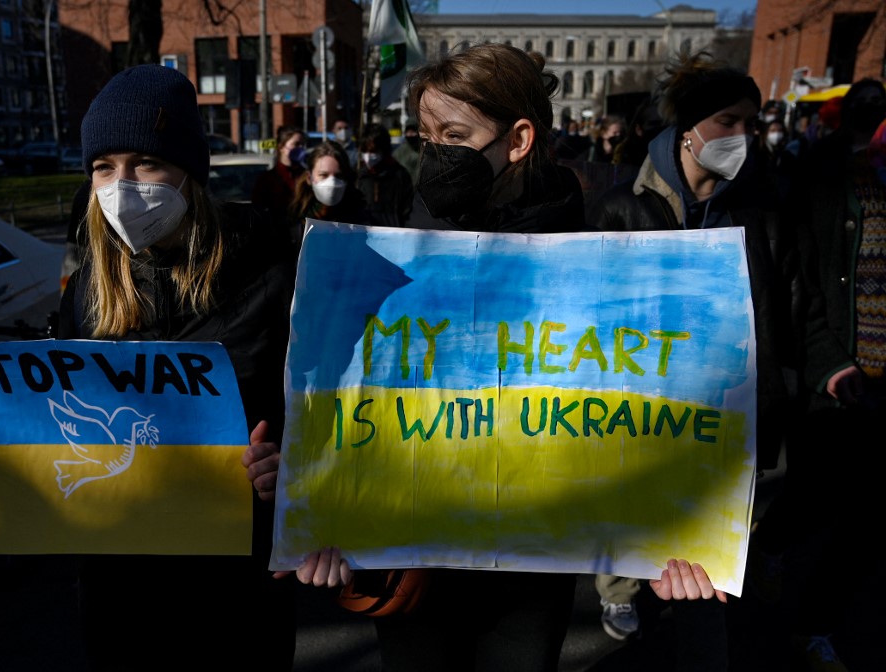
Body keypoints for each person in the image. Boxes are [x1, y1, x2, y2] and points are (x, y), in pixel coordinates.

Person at [287, 43, 727, 672]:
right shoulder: (390, 249)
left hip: (528, 567)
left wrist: (665, 539)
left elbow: (635, 409)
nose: (434, 150)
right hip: (414, 555)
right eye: (425, 133)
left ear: (518, 140)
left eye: (455, 134)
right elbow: (342, 395)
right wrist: (317, 511)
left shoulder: (595, 257)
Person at [0, 64, 298, 671]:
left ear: (190, 172)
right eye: (104, 167)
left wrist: (287, 470)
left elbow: (328, 430)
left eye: (145, 163)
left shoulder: (274, 281)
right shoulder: (87, 294)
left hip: (237, 598)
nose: (122, 186)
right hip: (121, 601)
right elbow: (54, 437)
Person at [587, 49, 799, 671]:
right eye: (728, 122)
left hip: (728, 408)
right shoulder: (622, 209)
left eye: (751, 124)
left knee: (710, 589)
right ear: (688, 130)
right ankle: (620, 591)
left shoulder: (759, 213)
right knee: (629, 504)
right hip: (641, 401)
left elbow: (785, 310)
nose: (743, 137)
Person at [764, 76, 886, 670]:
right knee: (813, 495)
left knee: (865, 514)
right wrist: (826, 361)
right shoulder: (825, 177)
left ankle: (815, 625)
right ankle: (767, 555)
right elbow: (801, 283)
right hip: (838, 375)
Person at [286, 140, 368, 250]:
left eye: (338, 175)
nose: (332, 182)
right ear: (309, 178)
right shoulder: (294, 219)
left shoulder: (362, 221)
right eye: (324, 175)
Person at [356, 124, 413, 228]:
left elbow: (408, 212)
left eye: (373, 151)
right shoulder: (359, 177)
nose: (368, 156)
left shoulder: (400, 176)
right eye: (364, 151)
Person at [250, 124, 306, 228]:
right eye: (296, 144)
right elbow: (258, 211)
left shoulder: (306, 176)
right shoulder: (267, 179)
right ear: (281, 147)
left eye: (303, 145)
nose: (301, 148)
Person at [392, 122, 421, 187]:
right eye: (408, 132)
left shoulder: (424, 150)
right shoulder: (399, 152)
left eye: (413, 131)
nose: (410, 134)